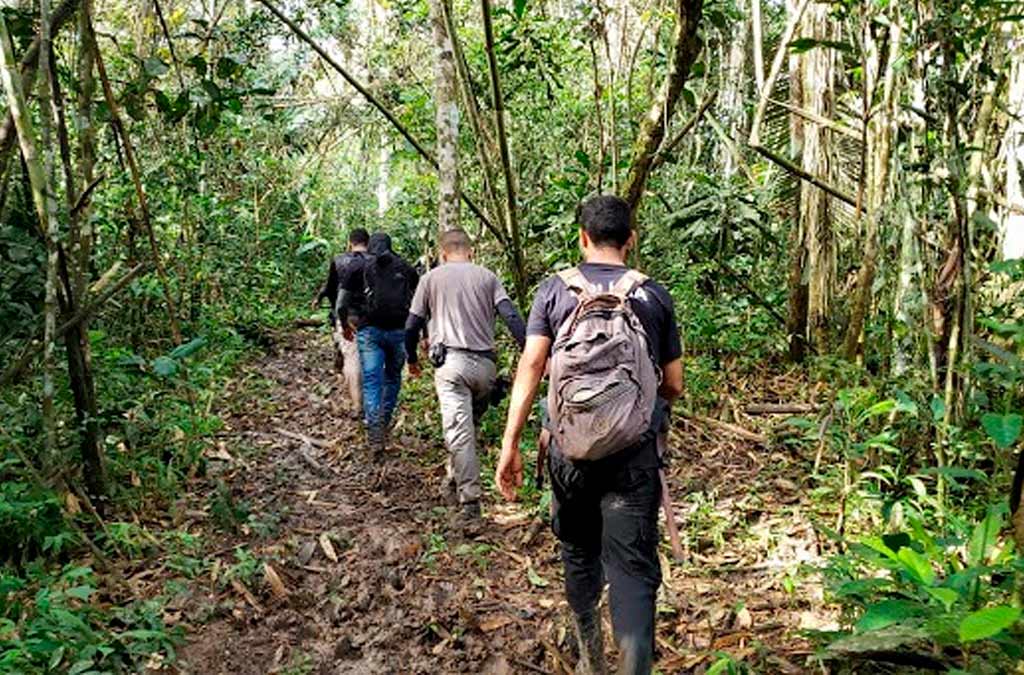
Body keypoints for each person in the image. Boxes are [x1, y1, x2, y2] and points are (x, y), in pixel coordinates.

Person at [495, 195, 684, 674]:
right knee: (632, 568)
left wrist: (510, 443)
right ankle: (633, 665)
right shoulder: (654, 295)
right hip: (634, 458)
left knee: (579, 552)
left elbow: (532, 365)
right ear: (630, 240)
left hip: (569, 453)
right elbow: (675, 383)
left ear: (582, 238)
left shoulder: (554, 291)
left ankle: (590, 655)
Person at [404, 229, 526, 523]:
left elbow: (411, 325)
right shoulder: (488, 277)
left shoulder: (430, 279)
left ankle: (470, 503)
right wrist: (530, 350)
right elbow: (511, 316)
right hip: (485, 367)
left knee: (460, 432)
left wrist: (412, 359)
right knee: (467, 427)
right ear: (470, 252)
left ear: (442, 253)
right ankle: (452, 478)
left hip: (451, 366)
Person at [337, 233, 419, 455]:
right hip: (399, 331)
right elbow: (419, 303)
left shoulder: (357, 267)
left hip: (369, 331)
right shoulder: (406, 268)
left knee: (372, 380)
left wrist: (345, 325)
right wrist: (422, 333)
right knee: (392, 377)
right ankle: (384, 420)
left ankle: (374, 427)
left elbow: (342, 303)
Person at [312, 228, 370, 414]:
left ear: (350, 242)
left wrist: (320, 298)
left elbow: (330, 286)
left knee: (352, 357)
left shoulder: (339, 260)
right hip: (372, 316)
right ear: (367, 243)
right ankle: (373, 403)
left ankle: (357, 403)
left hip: (347, 313)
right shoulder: (376, 261)